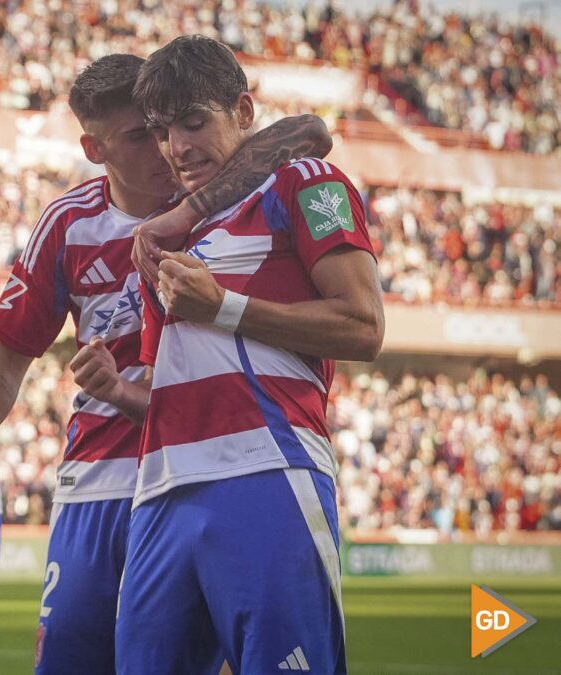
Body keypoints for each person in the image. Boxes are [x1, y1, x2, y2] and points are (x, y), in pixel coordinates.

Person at [0, 54, 333, 674]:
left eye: (166, 127)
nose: (164, 147)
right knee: (72, 655)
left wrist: (181, 214)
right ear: (94, 149)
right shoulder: (69, 222)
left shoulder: (227, 195)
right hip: (101, 476)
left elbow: (307, 131)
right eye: (140, 134)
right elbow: (8, 353)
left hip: (205, 467)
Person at [114, 36, 385, 674]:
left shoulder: (304, 181)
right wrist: (111, 390)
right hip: (161, 489)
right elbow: (164, 383)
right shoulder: (166, 238)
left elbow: (364, 325)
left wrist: (223, 307)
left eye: (194, 121)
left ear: (242, 111)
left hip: (267, 471)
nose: (176, 147)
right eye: (161, 131)